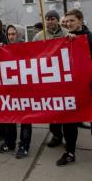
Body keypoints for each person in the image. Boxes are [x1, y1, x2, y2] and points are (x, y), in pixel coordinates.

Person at [56, 9, 92, 173]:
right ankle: (69, 152)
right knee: (69, 123)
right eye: (66, 22)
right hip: (71, 90)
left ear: (81, 21)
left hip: (90, 90)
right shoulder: (65, 40)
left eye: (72, 21)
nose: (68, 24)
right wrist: (68, 43)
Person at [0, 24, 32, 159]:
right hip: (9, 90)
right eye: (9, 34)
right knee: (9, 117)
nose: (10, 37)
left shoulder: (28, 48)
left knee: (25, 119)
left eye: (13, 34)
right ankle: (9, 143)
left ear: (20, 34)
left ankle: (24, 146)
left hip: (24, 90)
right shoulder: (4, 48)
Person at [33, 10, 69, 148]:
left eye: (52, 19)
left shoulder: (66, 34)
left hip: (64, 77)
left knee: (65, 109)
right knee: (53, 108)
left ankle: (68, 135)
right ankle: (56, 135)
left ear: (58, 20)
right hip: (48, 78)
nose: (49, 21)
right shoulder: (39, 36)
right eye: (47, 19)